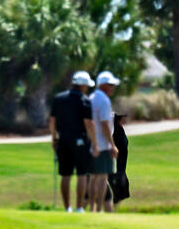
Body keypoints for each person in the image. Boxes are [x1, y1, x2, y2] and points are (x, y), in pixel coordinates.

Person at [49, 70, 94, 211]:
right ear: (83, 86)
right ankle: (79, 207)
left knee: (65, 175)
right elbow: (88, 124)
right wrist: (94, 142)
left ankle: (67, 207)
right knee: (81, 174)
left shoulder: (59, 98)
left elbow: (52, 121)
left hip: (62, 140)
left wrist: (54, 138)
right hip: (80, 140)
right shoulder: (85, 101)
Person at [81, 70, 118, 212]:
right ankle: (99, 208)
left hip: (92, 143)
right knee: (102, 177)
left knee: (93, 178)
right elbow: (104, 124)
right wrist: (112, 145)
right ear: (102, 85)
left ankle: (92, 208)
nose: (112, 87)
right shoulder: (103, 100)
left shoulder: (92, 97)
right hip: (102, 144)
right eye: (110, 84)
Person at [98, 71, 131, 206]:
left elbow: (123, 118)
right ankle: (116, 201)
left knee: (117, 171)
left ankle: (118, 201)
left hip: (117, 137)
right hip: (111, 137)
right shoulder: (101, 99)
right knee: (111, 172)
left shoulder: (112, 100)